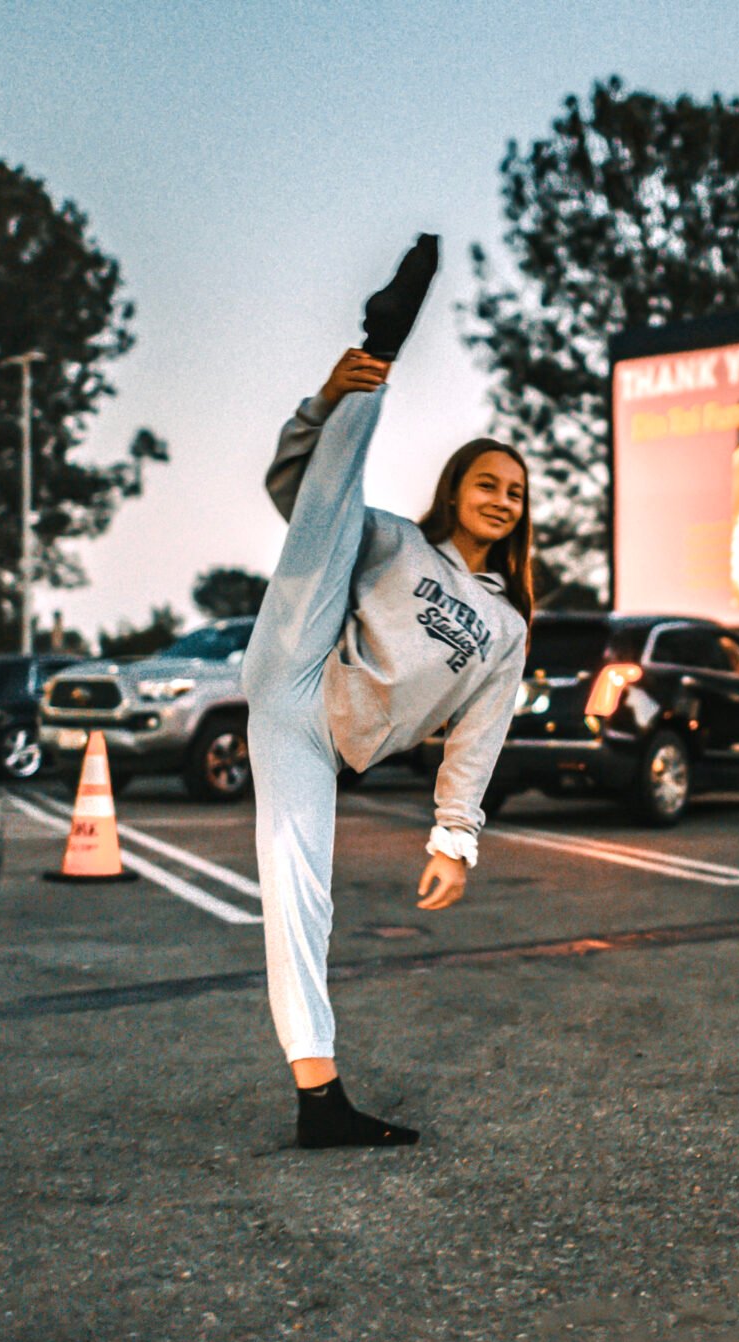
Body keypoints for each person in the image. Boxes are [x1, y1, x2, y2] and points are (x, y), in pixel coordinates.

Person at [245, 236, 533, 1148]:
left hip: (324, 737)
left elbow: (477, 741)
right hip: (297, 660)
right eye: (488, 482)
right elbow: (298, 490)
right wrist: (327, 401)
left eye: (517, 493)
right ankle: (384, 346)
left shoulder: (506, 626)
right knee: (337, 499)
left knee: (305, 894)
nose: (503, 499)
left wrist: (457, 840)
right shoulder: (401, 541)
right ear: (456, 488)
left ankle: (319, 1097)